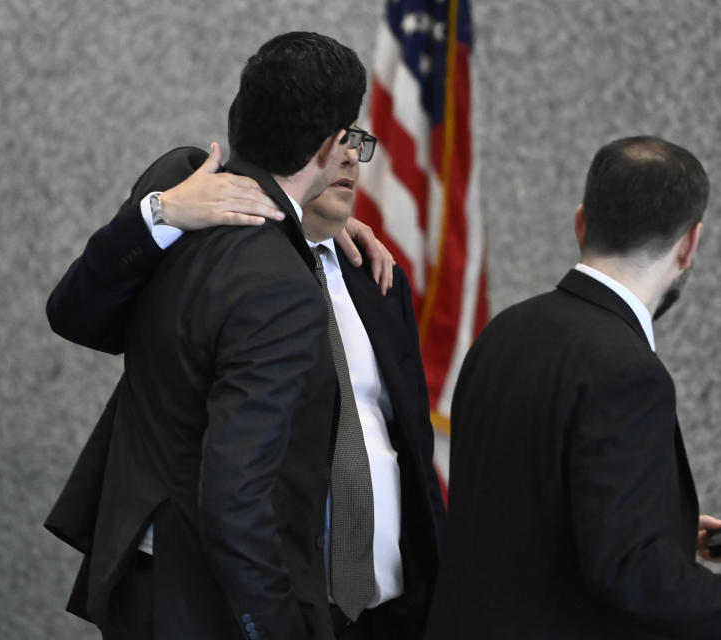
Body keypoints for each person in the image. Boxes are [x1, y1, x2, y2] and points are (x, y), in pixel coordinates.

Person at [45, 31, 441, 640]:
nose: (355, 161)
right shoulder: (201, 216)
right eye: (351, 141)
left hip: (382, 606)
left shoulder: (374, 275)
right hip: (241, 594)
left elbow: (408, 443)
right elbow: (76, 312)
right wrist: (162, 213)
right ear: (330, 146)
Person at [424, 136, 721, 639]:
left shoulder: (502, 333)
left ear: (581, 223)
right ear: (689, 244)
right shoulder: (627, 370)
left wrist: (662, 525)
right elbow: (631, 574)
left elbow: (520, 506)